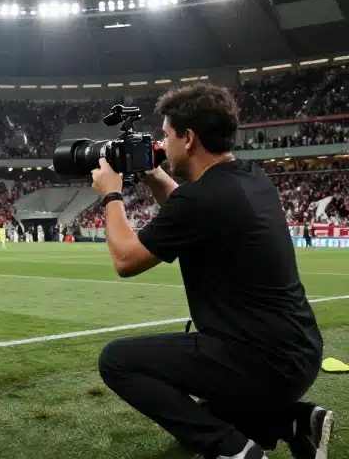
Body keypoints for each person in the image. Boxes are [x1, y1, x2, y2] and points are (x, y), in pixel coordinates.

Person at [91, 83, 332, 459]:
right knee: (208, 413)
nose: (162, 144)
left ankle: (234, 451)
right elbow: (191, 208)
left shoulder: (202, 198)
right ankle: (294, 422)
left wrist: (111, 194)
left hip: (262, 364)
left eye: (167, 135)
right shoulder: (251, 176)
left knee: (117, 361)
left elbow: (125, 260)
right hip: (299, 352)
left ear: (188, 139)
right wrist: (155, 176)